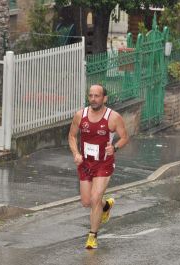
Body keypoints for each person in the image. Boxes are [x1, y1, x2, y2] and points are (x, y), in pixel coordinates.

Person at [68, 84, 128, 249]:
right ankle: (106, 206)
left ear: (104, 98)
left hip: (103, 163)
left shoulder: (113, 117)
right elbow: (72, 136)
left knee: (95, 198)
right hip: (86, 163)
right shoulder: (81, 115)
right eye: (91, 96)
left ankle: (92, 236)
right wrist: (76, 153)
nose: (93, 99)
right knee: (87, 202)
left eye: (97, 96)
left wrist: (114, 147)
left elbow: (124, 137)